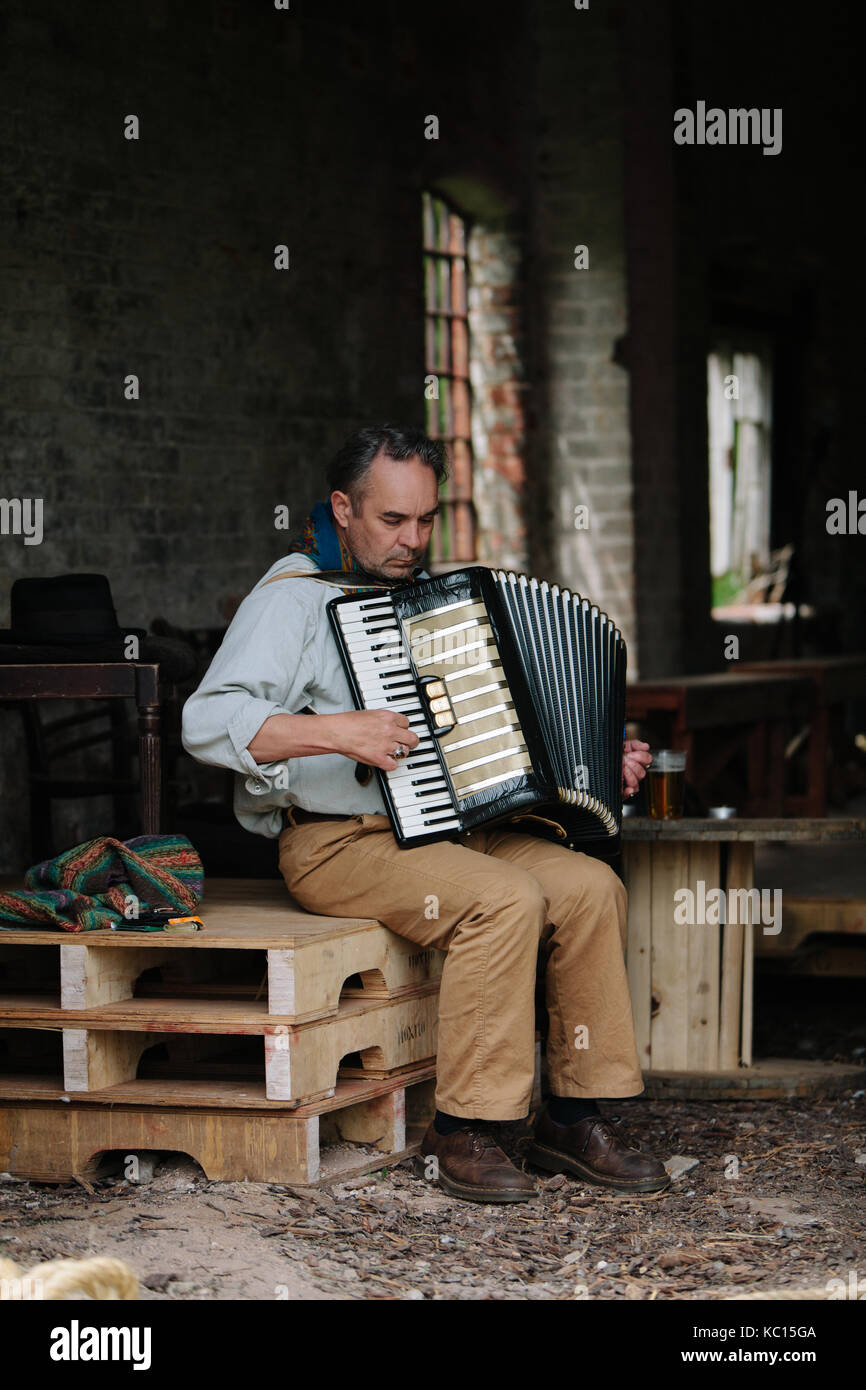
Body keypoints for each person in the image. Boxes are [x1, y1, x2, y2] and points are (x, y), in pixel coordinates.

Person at [181, 424, 669, 1203]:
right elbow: (205, 722)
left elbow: (499, 738)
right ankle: (464, 1129)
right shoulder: (293, 599)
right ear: (342, 508)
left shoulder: (436, 603)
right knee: (504, 900)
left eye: (426, 520)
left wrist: (590, 760)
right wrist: (338, 731)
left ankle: (573, 1117)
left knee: (588, 887)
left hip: (449, 827)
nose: (413, 540)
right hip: (339, 842)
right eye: (392, 521)